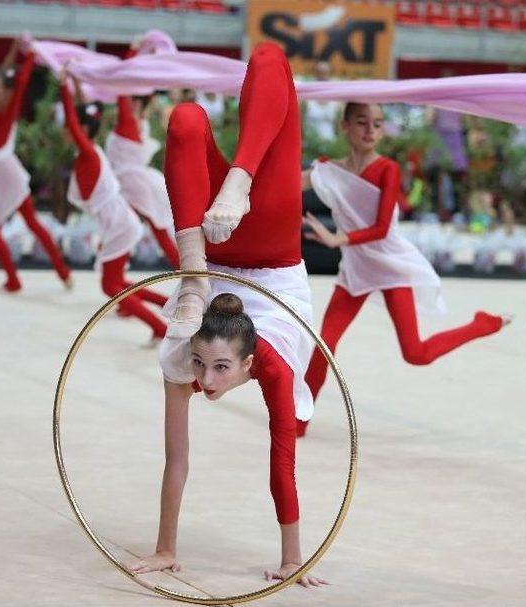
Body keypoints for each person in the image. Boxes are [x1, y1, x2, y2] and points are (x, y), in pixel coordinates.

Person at [129, 43, 327, 589]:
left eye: (216, 368)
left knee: (267, 56)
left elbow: (281, 460)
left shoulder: (258, 362)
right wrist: (165, 550)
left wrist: (293, 563)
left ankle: (238, 179)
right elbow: (177, 461)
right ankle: (193, 274)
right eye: (203, 365)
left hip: (236, 220)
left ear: (245, 361)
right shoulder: (194, 354)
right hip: (255, 239)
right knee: (187, 116)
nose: (203, 378)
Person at [297, 102, 510, 437]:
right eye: (362, 123)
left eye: (378, 124)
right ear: (345, 126)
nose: (370, 131)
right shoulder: (328, 169)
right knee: (325, 346)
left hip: (389, 263)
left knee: (416, 354)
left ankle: (482, 324)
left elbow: (382, 228)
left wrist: (338, 239)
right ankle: (297, 424)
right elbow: (286, 185)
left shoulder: (387, 169)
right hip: (356, 268)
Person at [59, 68, 168, 343]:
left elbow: (75, 122)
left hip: (119, 222)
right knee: (116, 283)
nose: (65, 130)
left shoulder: (89, 153)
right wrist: (74, 82)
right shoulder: (88, 151)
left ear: (82, 130)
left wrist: (64, 89)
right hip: (117, 222)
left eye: (69, 127)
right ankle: (167, 306)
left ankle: (160, 328)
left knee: (110, 286)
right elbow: (83, 115)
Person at [0, 38, 71, 292]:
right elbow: (5, 77)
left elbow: (18, 86)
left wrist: (30, 57)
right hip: (5, 175)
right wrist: (13, 50)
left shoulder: (5, 116)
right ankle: (62, 272)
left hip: (7, 176)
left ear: (5, 93)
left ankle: (14, 280)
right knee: (31, 223)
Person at [105, 46, 179, 269]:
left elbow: (122, 86)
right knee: (155, 229)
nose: (130, 101)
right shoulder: (140, 122)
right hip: (133, 181)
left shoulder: (128, 122)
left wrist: (133, 52)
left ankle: (116, 268)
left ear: (137, 102)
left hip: (129, 182)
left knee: (135, 226)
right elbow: (128, 89)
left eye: (134, 98)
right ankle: (187, 271)